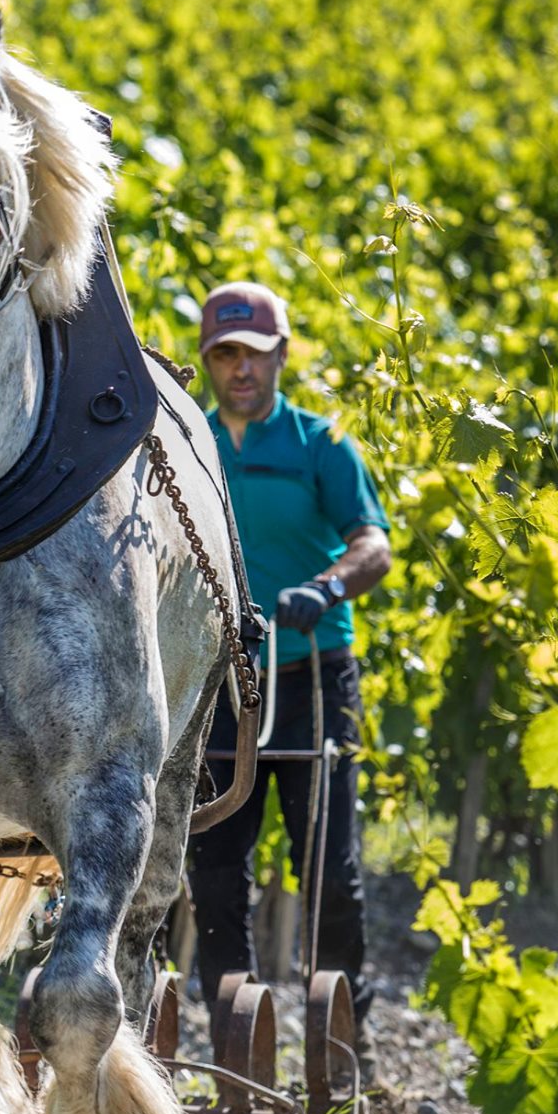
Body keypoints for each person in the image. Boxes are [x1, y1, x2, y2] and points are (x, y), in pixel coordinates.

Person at [188, 279, 392, 1063]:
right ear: (209, 361)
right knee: (213, 873)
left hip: (310, 677)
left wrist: (328, 585)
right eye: (225, 354)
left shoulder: (320, 444)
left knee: (328, 872)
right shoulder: (191, 448)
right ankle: (235, 1050)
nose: (241, 369)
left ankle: (344, 1043)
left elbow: (370, 544)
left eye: (255, 355)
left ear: (281, 357)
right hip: (218, 686)